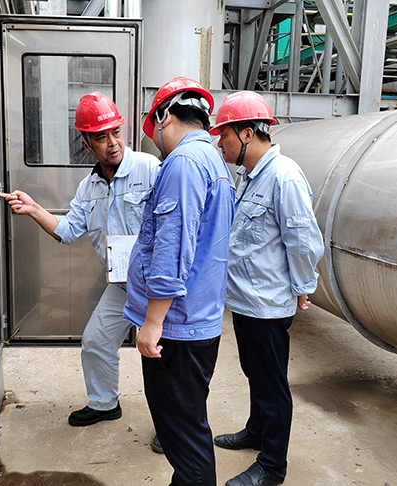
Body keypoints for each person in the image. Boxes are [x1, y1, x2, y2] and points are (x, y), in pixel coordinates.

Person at [0, 92, 161, 429]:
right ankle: (105, 404)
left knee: (164, 356)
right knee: (96, 341)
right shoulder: (89, 188)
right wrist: (34, 209)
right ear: (87, 144)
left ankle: (173, 428)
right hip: (122, 284)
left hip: (160, 284)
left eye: (116, 132)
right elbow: (68, 231)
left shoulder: (151, 170)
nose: (112, 143)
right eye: (101, 137)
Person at [123, 77, 236, 486]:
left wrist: (152, 323)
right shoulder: (214, 163)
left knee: (184, 442)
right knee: (188, 427)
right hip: (197, 321)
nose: (155, 141)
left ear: (165, 116)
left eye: (153, 130)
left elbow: (172, 247)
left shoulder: (184, 162)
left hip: (176, 329)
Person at [209, 91, 324, 486]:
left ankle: (272, 466)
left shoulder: (284, 176)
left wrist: (304, 286)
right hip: (246, 300)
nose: (219, 144)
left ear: (246, 133)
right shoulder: (249, 176)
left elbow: (303, 241)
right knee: (254, 373)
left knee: (272, 385)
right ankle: (256, 431)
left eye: (224, 135)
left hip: (268, 304)